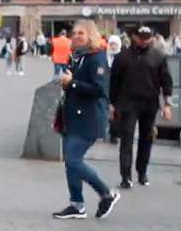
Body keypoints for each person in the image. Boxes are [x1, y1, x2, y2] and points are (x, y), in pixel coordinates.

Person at [52, 19, 121, 220]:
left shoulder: (96, 58)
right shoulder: (78, 56)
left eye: (81, 33)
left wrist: (72, 83)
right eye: (74, 33)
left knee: (73, 161)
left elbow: (99, 89)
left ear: (90, 35)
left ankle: (107, 192)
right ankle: (77, 204)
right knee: (70, 162)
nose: (76, 36)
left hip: (89, 118)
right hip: (72, 116)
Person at [109, 26, 172, 188]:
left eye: (147, 37)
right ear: (133, 37)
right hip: (127, 102)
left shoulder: (158, 56)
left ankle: (142, 172)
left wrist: (167, 104)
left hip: (149, 103)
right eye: (141, 37)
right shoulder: (123, 57)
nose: (144, 40)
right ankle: (125, 175)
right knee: (127, 139)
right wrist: (111, 104)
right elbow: (114, 81)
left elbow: (166, 81)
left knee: (147, 138)